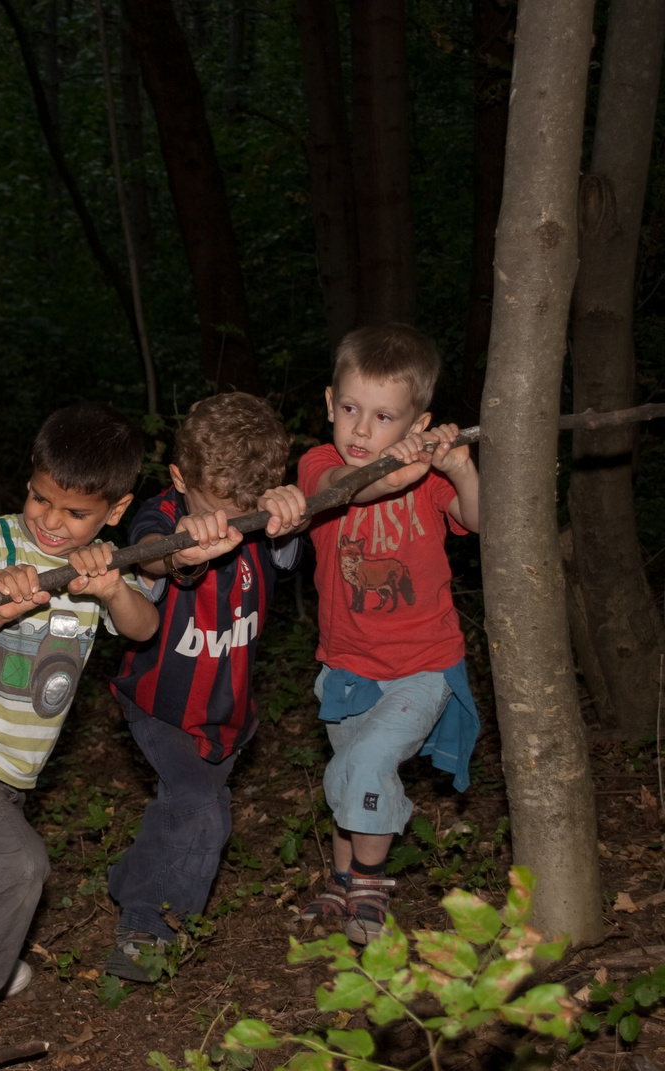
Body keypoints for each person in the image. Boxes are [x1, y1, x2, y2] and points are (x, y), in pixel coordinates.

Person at [0, 402, 160, 1055]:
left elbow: (144, 628)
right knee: (17, 861)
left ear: (115, 510)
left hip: (10, 768)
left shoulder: (102, 563)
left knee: (1, 872)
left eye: (75, 512)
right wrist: (0, 600)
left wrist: (110, 587)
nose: (50, 520)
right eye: (41, 498)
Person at [102, 393, 308, 982]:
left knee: (187, 809)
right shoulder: (159, 515)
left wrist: (290, 513)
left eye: (244, 507)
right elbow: (149, 561)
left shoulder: (259, 511)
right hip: (161, 703)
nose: (232, 519)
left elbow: (288, 555)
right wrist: (182, 552)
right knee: (201, 810)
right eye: (218, 505)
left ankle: (129, 878)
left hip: (229, 709)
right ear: (178, 479)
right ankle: (146, 927)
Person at [295, 323, 482, 944]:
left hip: (423, 665)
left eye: (383, 417)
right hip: (347, 668)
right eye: (349, 409)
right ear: (329, 403)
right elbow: (356, 487)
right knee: (346, 774)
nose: (361, 430)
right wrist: (411, 459)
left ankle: (370, 885)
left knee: (373, 761)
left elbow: (482, 521)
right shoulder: (319, 467)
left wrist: (457, 466)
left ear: (416, 421)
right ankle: (344, 881)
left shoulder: (430, 478)